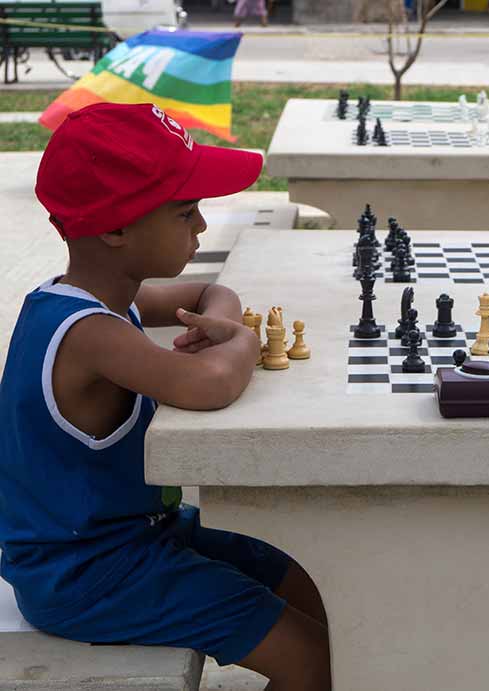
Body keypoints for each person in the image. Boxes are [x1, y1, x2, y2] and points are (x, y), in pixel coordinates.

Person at [0, 103, 331, 691]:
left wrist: (223, 327)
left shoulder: (107, 298)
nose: (201, 227)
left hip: (138, 537)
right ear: (117, 229)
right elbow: (209, 386)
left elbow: (213, 289)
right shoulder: (89, 333)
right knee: (308, 658)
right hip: (86, 574)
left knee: (312, 582)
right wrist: (244, 341)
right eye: (185, 212)